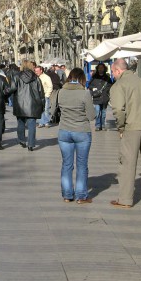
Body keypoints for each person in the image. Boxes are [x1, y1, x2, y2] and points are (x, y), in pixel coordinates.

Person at [109, 57, 141, 208]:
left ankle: (125, 199)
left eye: (113, 72)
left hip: (132, 127)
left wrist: (121, 127)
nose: (113, 75)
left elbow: (118, 109)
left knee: (127, 163)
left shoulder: (119, 85)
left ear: (118, 70)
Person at [56, 68, 95, 204]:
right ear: (82, 79)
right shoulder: (85, 93)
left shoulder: (61, 92)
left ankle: (67, 195)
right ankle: (81, 196)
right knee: (82, 164)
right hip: (81, 131)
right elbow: (91, 116)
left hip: (64, 131)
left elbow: (55, 110)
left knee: (66, 164)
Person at [8, 60, 44, 151]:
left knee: (20, 123)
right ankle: (31, 144)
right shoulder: (36, 78)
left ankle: (22, 140)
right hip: (33, 104)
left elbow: (11, 89)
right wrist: (42, 106)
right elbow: (41, 93)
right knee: (32, 124)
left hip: (20, 103)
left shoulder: (16, 77)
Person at [88, 63, 112, 131]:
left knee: (103, 112)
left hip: (104, 97)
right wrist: (94, 90)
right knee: (97, 111)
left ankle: (103, 125)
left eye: (102, 68)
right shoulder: (94, 77)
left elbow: (110, 85)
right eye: (99, 68)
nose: (100, 69)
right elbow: (90, 86)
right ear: (97, 69)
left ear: (104, 69)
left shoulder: (107, 78)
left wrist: (106, 91)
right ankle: (98, 125)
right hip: (97, 97)